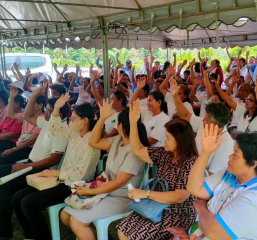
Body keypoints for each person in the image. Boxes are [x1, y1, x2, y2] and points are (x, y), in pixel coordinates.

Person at [10, 95, 100, 240]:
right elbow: (55, 129)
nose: (71, 121)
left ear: (85, 121)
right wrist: (56, 109)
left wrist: (54, 173)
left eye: (74, 118)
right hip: (60, 179)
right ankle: (30, 234)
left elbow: (82, 175)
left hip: (75, 186)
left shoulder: (92, 143)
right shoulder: (75, 134)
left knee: (28, 203)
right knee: (17, 198)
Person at [61, 100, 148, 240]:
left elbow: (119, 183)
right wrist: (102, 118)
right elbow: (93, 142)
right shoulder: (118, 140)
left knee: (76, 222)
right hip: (104, 191)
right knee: (65, 215)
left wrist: (90, 191)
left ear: (121, 126)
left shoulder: (135, 150)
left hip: (122, 197)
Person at [117, 100, 198, 240]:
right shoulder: (165, 154)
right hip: (155, 206)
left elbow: (179, 196)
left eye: (167, 137)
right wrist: (133, 123)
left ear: (179, 140)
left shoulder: (190, 162)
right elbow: (137, 149)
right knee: (122, 230)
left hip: (176, 214)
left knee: (135, 236)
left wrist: (145, 193)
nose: (163, 140)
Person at [187, 125, 257, 240]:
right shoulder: (230, 174)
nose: (230, 157)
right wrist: (206, 153)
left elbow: (213, 232)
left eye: (235, 155)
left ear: (253, 164)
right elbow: (194, 189)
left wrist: (201, 207)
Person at [0, 90, 69, 240]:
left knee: (7, 189)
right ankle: (18, 232)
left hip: (40, 170)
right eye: (46, 110)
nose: (45, 113)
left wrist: (26, 167)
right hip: (30, 165)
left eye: (49, 111)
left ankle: (7, 233)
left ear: (60, 115)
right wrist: (33, 95)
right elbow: (27, 116)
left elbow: (54, 160)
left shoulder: (61, 130)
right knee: (7, 187)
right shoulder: (48, 122)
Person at [170, 77, 234, 175]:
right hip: (188, 170)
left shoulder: (226, 144)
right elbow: (185, 115)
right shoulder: (205, 125)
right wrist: (175, 96)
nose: (202, 121)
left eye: (205, 120)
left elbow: (211, 175)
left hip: (198, 181)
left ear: (215, 124)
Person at [0, 87, 45, 165]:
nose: (28, 105)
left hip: (28, 148)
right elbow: (11, 114)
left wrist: (13, 150)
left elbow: (31, 141)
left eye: (31, 103)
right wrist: (12, 97)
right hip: (18, 145)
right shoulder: (27, 115)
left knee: (2, 160)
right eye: (28, 103)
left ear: (40, 105)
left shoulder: (42, 119)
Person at [129, 77, 170, 147]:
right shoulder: (147, 112)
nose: (147, 103)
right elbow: (131, 106)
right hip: (142, 147)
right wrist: (138, 88)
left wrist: (135, 144)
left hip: (155, 151)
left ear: (159, 102)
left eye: (150, 101)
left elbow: (152, 140)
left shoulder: (164, 118)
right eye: (147, 101)